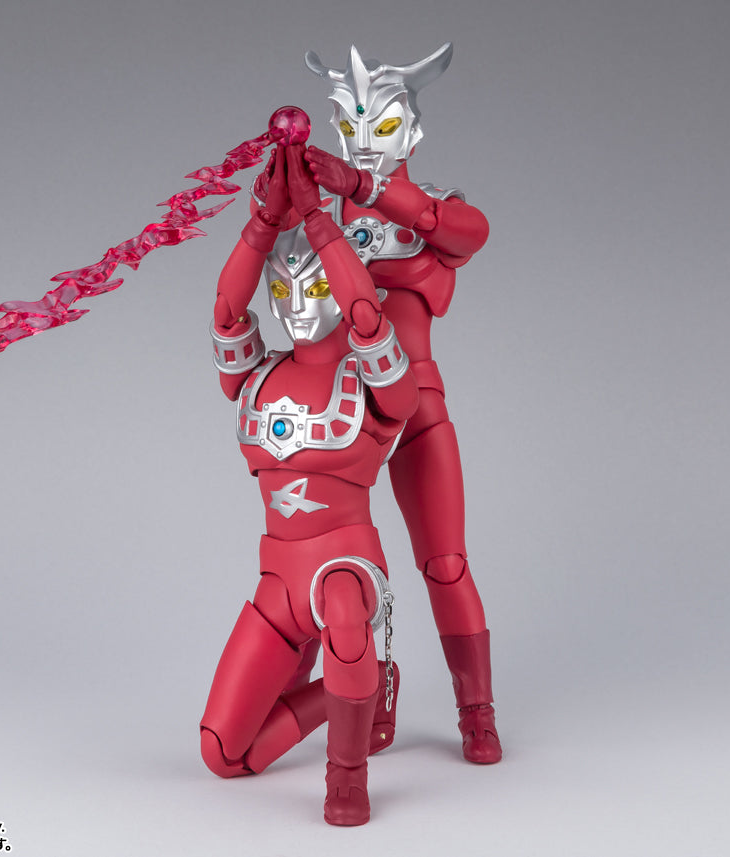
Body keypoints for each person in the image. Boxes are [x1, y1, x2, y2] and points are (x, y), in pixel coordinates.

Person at [199, 145, 418, 826]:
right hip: (277, 585)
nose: (297, 304)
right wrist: (262, 224)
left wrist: (322, 224)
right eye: (284, 288)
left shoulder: (372, 379)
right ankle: (354, 689)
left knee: (346, 616)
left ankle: (346, 776)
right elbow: (225, 311)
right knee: (223, 754)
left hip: (341, 566)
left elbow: (367, 319)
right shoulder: (258, 376)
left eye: (316, 287)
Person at [298, 43, 503, 763]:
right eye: (349, 125)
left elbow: (470, 232)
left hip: (411, 404)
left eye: (381, 125)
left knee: (444, 562)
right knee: (313, 565)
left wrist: (364, 184)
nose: (363, 140)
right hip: (337, 416)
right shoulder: (314, 216)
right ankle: (330, 691)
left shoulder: (433, 210)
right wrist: (275, 208)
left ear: (412, 130)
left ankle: (476, 710)